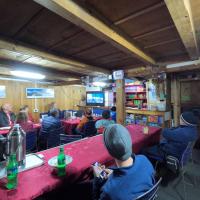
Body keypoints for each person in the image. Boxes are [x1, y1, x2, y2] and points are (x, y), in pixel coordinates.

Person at [93, 124, 155, 200]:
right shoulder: (144, 160)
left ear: (109, 151)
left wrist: (96, 180)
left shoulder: (110, 191)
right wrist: (113, 175)